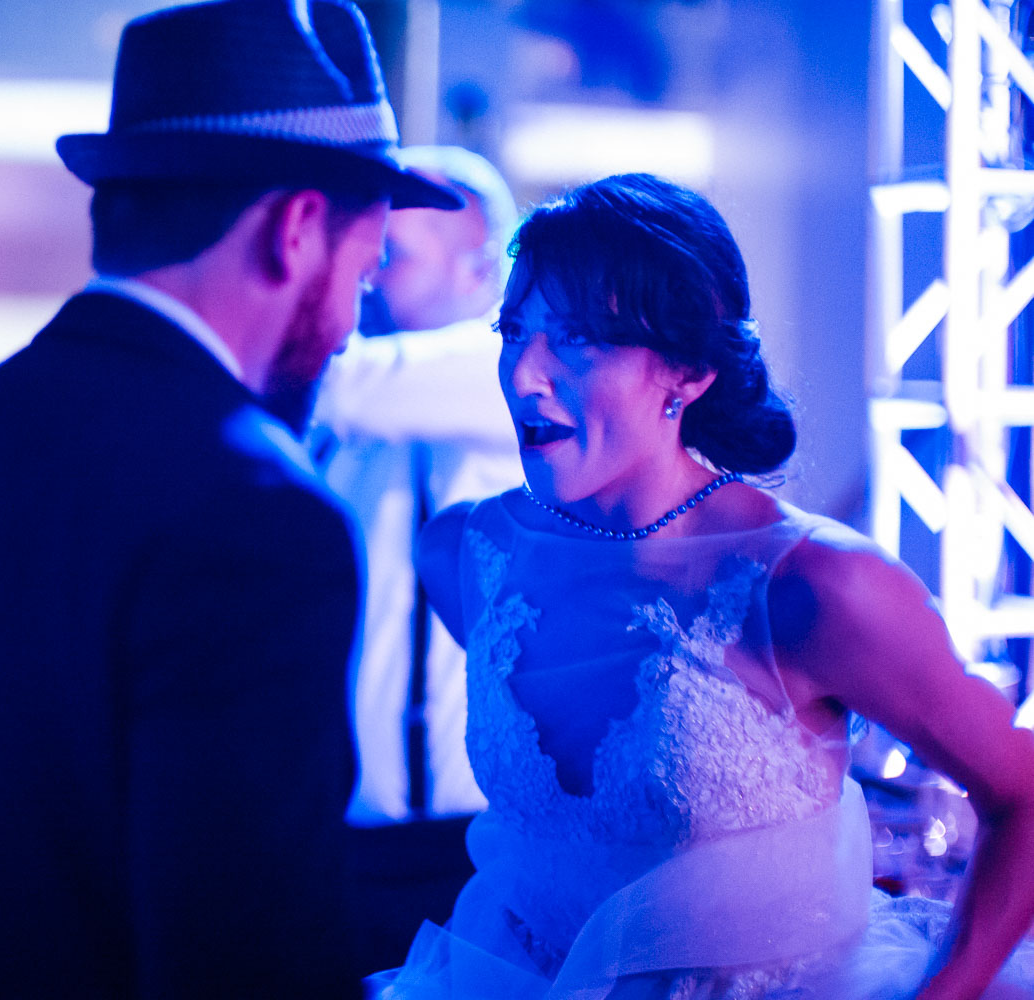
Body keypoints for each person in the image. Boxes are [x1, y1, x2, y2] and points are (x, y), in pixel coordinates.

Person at [0, 2, 462, 997]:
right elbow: (248, 955)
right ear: (297, 229)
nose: (356, 324)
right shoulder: (261, 514)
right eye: (363, 275)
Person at [373, 174, 1034, 999]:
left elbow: (1023, 794)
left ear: (686, 372)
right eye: (514, 332)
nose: (524, 378)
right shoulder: (465, 557)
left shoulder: (815, 588)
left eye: (575, 340)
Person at [311, 146, 524, 974]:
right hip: (346, 832)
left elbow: (344, 380)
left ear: (480, 269)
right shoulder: (372, 402)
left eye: (389, 255)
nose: (369, 275)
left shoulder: (493, 366)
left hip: (446, 836)